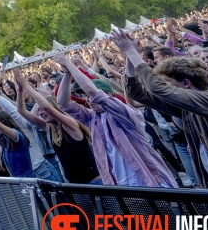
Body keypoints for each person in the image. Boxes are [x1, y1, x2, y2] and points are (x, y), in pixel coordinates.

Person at [112, 29, 208, 191]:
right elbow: (136, 94)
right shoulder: (187, 109)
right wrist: (130, 56)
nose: (163, 86)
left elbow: (157, 89)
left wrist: (132, 51)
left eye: (166, 82)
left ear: (186, 83)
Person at [55, 54, 177, 188]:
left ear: (110, 95)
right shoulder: (93, 118)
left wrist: (70, 65)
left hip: (149, 181)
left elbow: (93, 93)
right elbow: (63, 104)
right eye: (86, 97)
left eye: (90, 96)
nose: (89, 100)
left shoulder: (124, 112)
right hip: (119, 184)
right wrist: (67, 74)